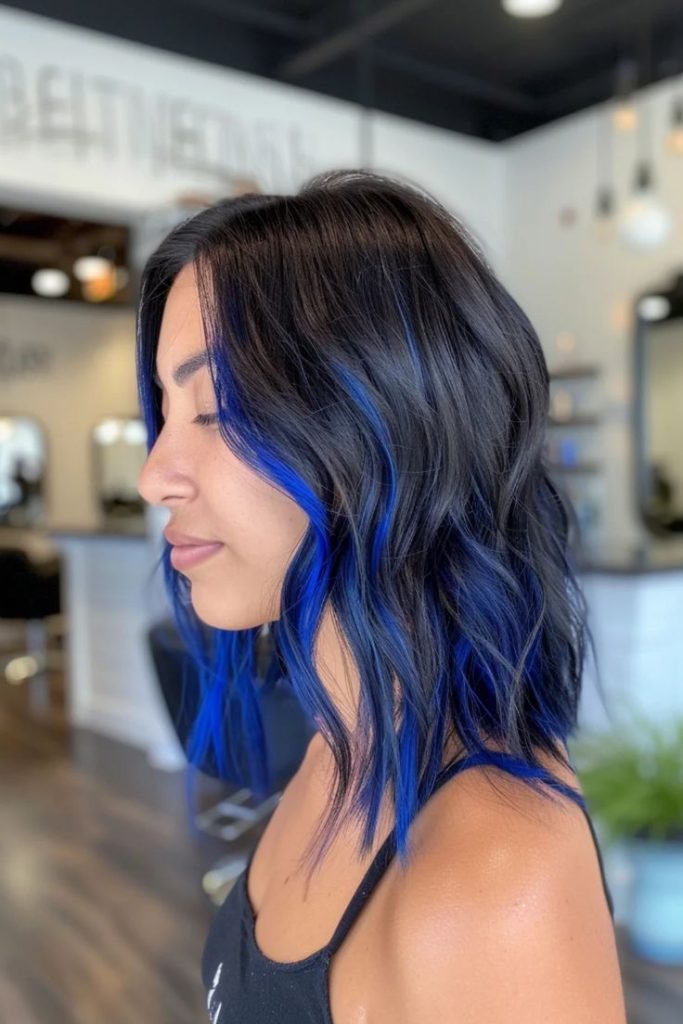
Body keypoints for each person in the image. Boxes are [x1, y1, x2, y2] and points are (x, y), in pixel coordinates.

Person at [135, 169, 627, 1023]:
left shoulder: (493, 879)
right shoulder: (336, 747)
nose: (154, 477)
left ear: (386, 425)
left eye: (215, 408)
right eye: (167, 411)